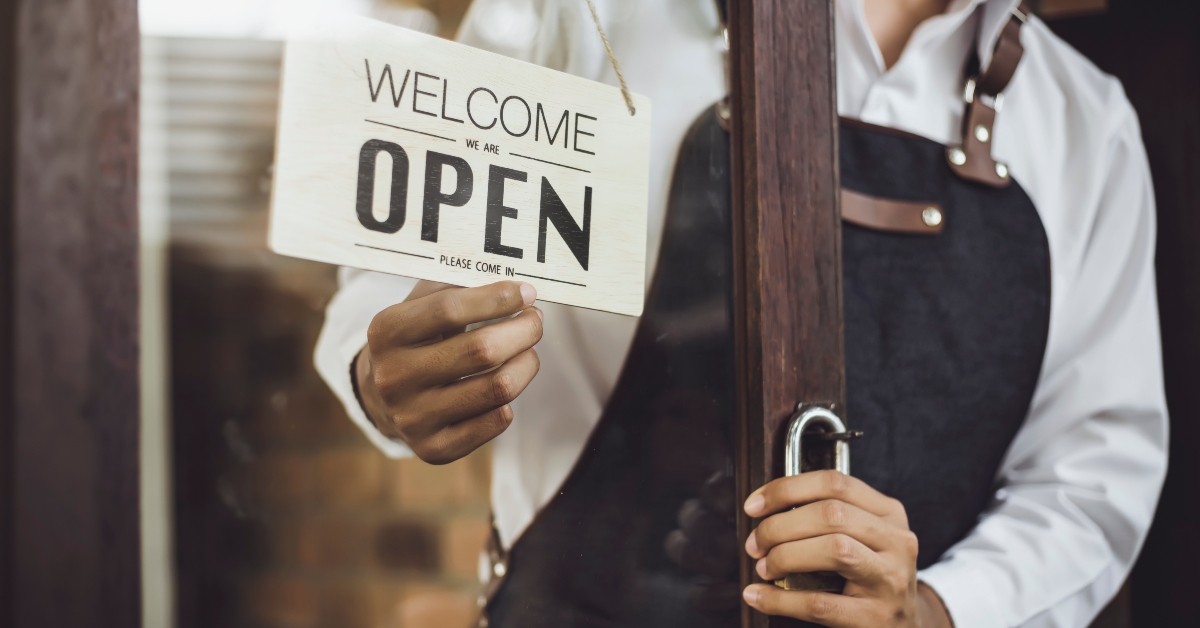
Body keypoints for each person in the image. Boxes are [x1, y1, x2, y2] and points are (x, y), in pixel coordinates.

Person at [314, 0, 1168, 626]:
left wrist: (938, 610)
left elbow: (1094, 475)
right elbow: (385, 287)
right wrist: (382, 374)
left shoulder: (1087, 123)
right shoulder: (581, 17)